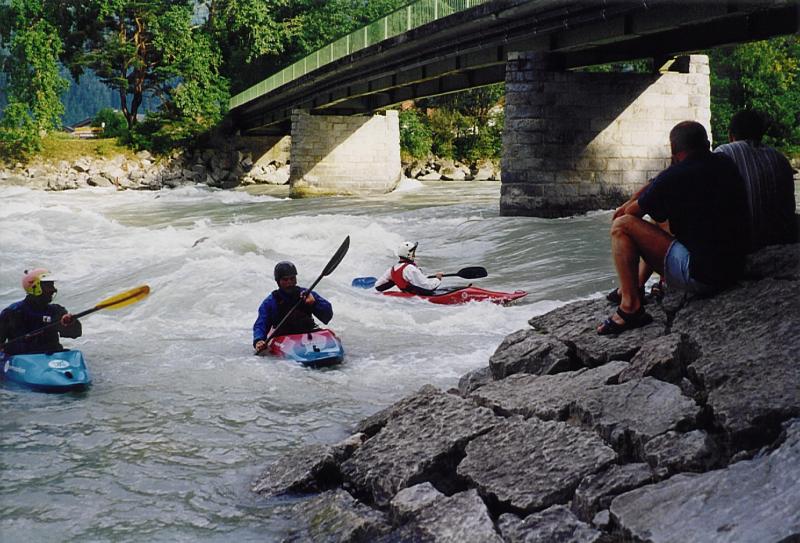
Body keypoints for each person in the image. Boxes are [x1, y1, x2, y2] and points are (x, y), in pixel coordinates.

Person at [598, 121, 748, 335]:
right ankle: (636, 287)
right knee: (655, 223)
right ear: (706, 143)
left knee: (622, 227)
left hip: (704, 277)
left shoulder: (674, 177)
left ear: (674, 151)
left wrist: (635, 197)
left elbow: (626, 216)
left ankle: (630, 307)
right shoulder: (725, 163)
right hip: (735, 267)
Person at [713, 109, 797, 251]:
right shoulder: (779, 158)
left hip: (740, 248)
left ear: (731, 135)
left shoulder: (723, 153)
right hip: (778, 244)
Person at [252, 261, 333, 353]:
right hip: (284, 337)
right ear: (278, 281)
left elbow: (328, 316)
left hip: (308, 333)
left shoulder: (307, 294)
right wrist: (258, 340)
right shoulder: (271, 302)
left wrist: (314, 304)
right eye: (285, 280)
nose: (289, 283)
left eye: (292, 278)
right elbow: (261, 323)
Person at [0, 269, 82, 355]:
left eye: (52, 285)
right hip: (21, 361)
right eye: (49, 286)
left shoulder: (56, 311)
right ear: (35, 287)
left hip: (51, 360)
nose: (54, 290)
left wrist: (71, 323)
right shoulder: (12, 312)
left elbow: (75, 333)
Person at [374, 241, 443, 295]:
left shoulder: (391, 270)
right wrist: (438, 279)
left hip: (409, 298)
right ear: (409, 254)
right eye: (413, 253)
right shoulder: (410, 269)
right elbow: (429, 287)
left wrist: (396, 280)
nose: (414, 255)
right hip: (419, 298)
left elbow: (378, 286)